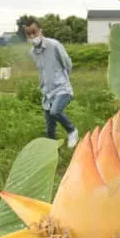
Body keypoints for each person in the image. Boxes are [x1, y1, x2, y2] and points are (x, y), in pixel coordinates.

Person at [24, 19, 79, 149]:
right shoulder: (32, 53)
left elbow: (67, 63)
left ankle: (72, 130)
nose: (32, 36)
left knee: (55, 111)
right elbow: (42, 71)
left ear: (40, 31)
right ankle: (53, 153)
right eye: (28, 34)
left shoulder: (54, 45)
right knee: (50, 129)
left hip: (62, 88)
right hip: (47, 93)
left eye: (34, 32)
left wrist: (62, 79)